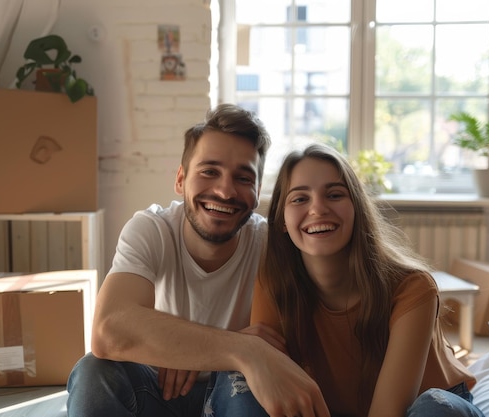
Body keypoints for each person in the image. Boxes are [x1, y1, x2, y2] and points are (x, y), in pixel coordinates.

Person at [66, 104, 331, 417]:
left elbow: (289, 341)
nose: (224, 190)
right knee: (93, 371)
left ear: (258, 191)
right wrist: (241, 347)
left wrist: (196, 350)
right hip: (158, 386)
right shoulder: (151, 229)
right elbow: (109, 330)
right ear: (180, 179)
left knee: (247, 384)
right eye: (209, 172)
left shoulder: (269, 243)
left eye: (244, 178)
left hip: (232, 388)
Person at [204, 143, 485, 417]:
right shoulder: (274, 283)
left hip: (425, 406)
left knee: (432, 407)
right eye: (300, 198)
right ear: (281, 221)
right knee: (240, 378)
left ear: (357, 209)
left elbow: (389, 412)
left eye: (335, 195)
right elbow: (273, 386)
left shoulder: (412, 288)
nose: (318, 209)